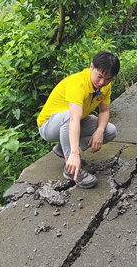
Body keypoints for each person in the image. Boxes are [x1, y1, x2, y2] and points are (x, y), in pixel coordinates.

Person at [37, 51, 120, 188]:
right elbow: (74, 118)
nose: (102, 82)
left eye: (108, 79)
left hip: (73, 121)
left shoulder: (105, 86)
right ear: (91, 67)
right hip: (49, 126)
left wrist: (99, 130)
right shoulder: (78, 84)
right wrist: (75, 153)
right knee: (70, 116)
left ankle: (62, 149)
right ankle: (71, 168)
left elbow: (104, 111)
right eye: (99, 77)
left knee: (110, 131)